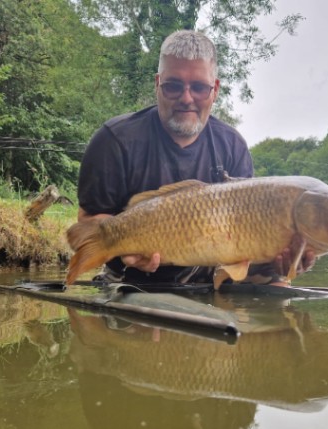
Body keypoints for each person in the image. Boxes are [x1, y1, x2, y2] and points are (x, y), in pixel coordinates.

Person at [74, 30, 310, 286]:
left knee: (279, 284)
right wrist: (127, 251)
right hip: (131, 277)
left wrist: (280, 263)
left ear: (215, 89)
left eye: (198, 87)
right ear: (157, 84)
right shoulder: (114, 140)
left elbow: (244, 246)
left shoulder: (232, 145)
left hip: (209, 275)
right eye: (173, 86)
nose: (186, 98)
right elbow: (87, 222)